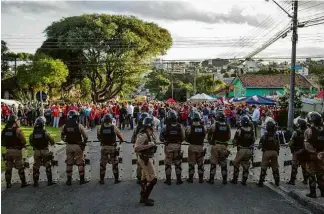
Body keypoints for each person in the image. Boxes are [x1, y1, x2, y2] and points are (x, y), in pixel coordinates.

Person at [134, 116, 158, 206]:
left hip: (148, 157)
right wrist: (149, 145)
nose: (154, 125)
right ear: (149, 125)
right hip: (145, 158)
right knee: (153, 179)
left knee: (144, 179)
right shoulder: (143, 135)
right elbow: (136, 148)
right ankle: (145, 198)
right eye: (153, 124)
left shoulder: (150, 133)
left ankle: (142, 197)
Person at [61, 110, 88, 185]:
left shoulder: (64, 126)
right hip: (78, 146)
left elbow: (62, 136)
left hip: (69, 146)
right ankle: (82, 180)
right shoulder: (79, 125)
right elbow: (86, 136)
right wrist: (84, 143)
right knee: (80, 163)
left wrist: (66, 140)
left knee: (69, 163)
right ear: (76, 117)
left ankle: (69, 180)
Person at [1, 115, 29, 188]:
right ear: (15, 121)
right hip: (17, 151)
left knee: (8, 168)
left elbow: (2, 141)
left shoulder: (4, 130)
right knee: (20, 167)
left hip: (8, 151)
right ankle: (23, 183)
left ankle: (8, 184)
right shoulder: (17, 130)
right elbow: (24, 141)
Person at [160, 110, 186, 185]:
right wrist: (179, 141)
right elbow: (183, 137)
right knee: (178, 163)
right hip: (177, 146)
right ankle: (178, 180)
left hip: (168, 146)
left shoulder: (165, 127)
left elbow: (161, 138)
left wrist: (165, 140)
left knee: (168, 164)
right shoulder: (180, 126)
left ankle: (168, 180)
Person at [97, 114, 124, 184]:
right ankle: (116, 179)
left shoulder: (100, 127)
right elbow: (120, 136)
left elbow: (98, 136)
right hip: (112, 147)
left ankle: (102, 180)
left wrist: (102, 140)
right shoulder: (113, 127)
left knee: (103, 164)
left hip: (103, 147)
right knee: (114, 163)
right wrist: (121, 141)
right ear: (110, 120)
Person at [29, 117, 56, 187]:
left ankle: (35, 182)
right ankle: (49, 181)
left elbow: (30, 142)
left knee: (36, 166)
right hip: (45, 151)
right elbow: (52, 141)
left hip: (36, 151)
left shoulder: (32, 134)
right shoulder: (45, 133)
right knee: (48, 165)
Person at [207, 111, 231, 185]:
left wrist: (210, 142)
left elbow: (209, 135)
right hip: (224, 146)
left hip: (215, 146)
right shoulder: (227, 126)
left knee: (213, 163)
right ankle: (224, 180)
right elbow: (229, 137)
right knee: (223, 163)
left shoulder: (214, 125)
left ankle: (211, 179)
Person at [304, 112, 324, 198]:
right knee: (321, 174)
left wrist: (314, 152)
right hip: (321, 155)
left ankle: (313, 193)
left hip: (311, 155)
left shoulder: (308, 131)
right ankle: (323, 192)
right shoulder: (323, 130)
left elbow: (306, 145)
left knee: (311, 173)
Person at [231, 115, 255, 186]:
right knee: (246, 165)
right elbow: (253, 140)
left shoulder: (239, 130)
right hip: (249, 150)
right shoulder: (251, 131)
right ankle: (244, 181)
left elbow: (234, 141)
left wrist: (235, 143)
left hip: (241, 149)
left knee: (236, 163)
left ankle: (235, 179)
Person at [257, 120, 280, 187]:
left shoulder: (264, 135)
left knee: (264, 167)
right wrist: (277, 151)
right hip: (274, 152)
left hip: (266, 152)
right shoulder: (276, 135)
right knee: (275, 167)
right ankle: (277, 182)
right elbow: (278, 144)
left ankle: (261, 182)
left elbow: (260, 145)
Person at [286, 118, 309, 185]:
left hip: (296, 151)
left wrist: (291, 148)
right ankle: (305, 180)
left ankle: (292, 180)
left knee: (294, 166)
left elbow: (291, 141)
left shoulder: (296, 132)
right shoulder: (307, 132)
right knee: (304, 166)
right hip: (304, 151)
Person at [185, 111, 206, 183]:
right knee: (200, 163)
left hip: (192, 146)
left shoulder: (189, 128)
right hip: (200, 147)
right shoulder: (203, 127)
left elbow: (186, 137)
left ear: (192, 119)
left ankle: (191, 179)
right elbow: (204, 135)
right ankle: (201, 179)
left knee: (191, 163)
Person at [131, 112, 149, 184]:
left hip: (138, 148)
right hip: (147, 148)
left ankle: (139, 179)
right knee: (148, 162)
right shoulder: (148, 128)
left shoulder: (137, 128)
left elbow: (132, 139)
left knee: (139, 163)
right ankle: (146, 178)